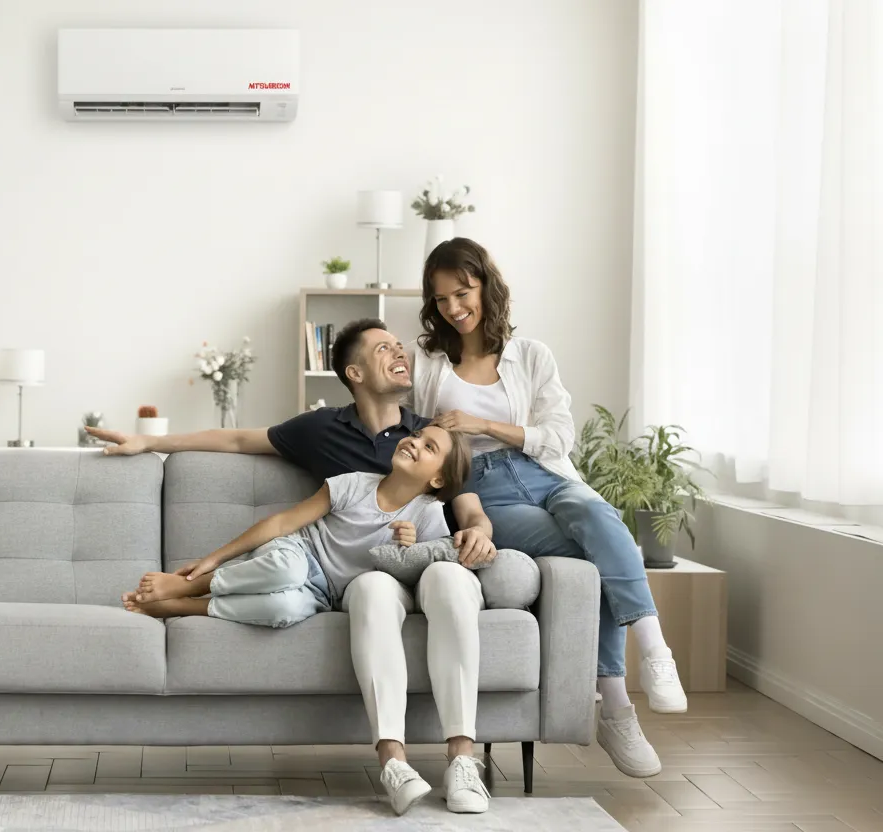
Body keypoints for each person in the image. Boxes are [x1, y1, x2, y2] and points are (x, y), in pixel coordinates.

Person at [89, 320, 494, 816]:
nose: (399, 352)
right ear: (354, 373)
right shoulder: (323, 431)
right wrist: (149, 442)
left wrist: (478, 531)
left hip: (396, 573)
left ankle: (463, 760)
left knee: (422, 580)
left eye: (398, 344)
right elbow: (238, 441)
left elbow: (463, 500)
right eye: (383, 348)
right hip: (344, 576)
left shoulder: (429, 435)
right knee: (336, 584)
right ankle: (393, 762)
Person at [409, 236, 687, 779]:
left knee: (601, 520)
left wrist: (484, 424)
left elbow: (560, 437)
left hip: (544, 471)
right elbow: (407, 429)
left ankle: (656, 652)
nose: (454, 308)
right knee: (594, 556)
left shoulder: (530, 355)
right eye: (441, 299)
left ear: (486, 286)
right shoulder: (428, 364)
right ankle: (617, 707)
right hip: (482, 488)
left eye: (463, 293)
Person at [121, 425, 470, 634]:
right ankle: (189, 585)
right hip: (296, 553)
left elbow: (428, 567)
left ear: (438, 479)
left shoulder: (428, 514)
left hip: (324, 594)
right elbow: (282, 523)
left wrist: (410, 547)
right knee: (287, 570)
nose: (414, 441)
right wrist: (213, 559)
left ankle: (182, 606)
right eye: (417, 435)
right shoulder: (352, 484)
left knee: (283, 611)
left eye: (429, 447)